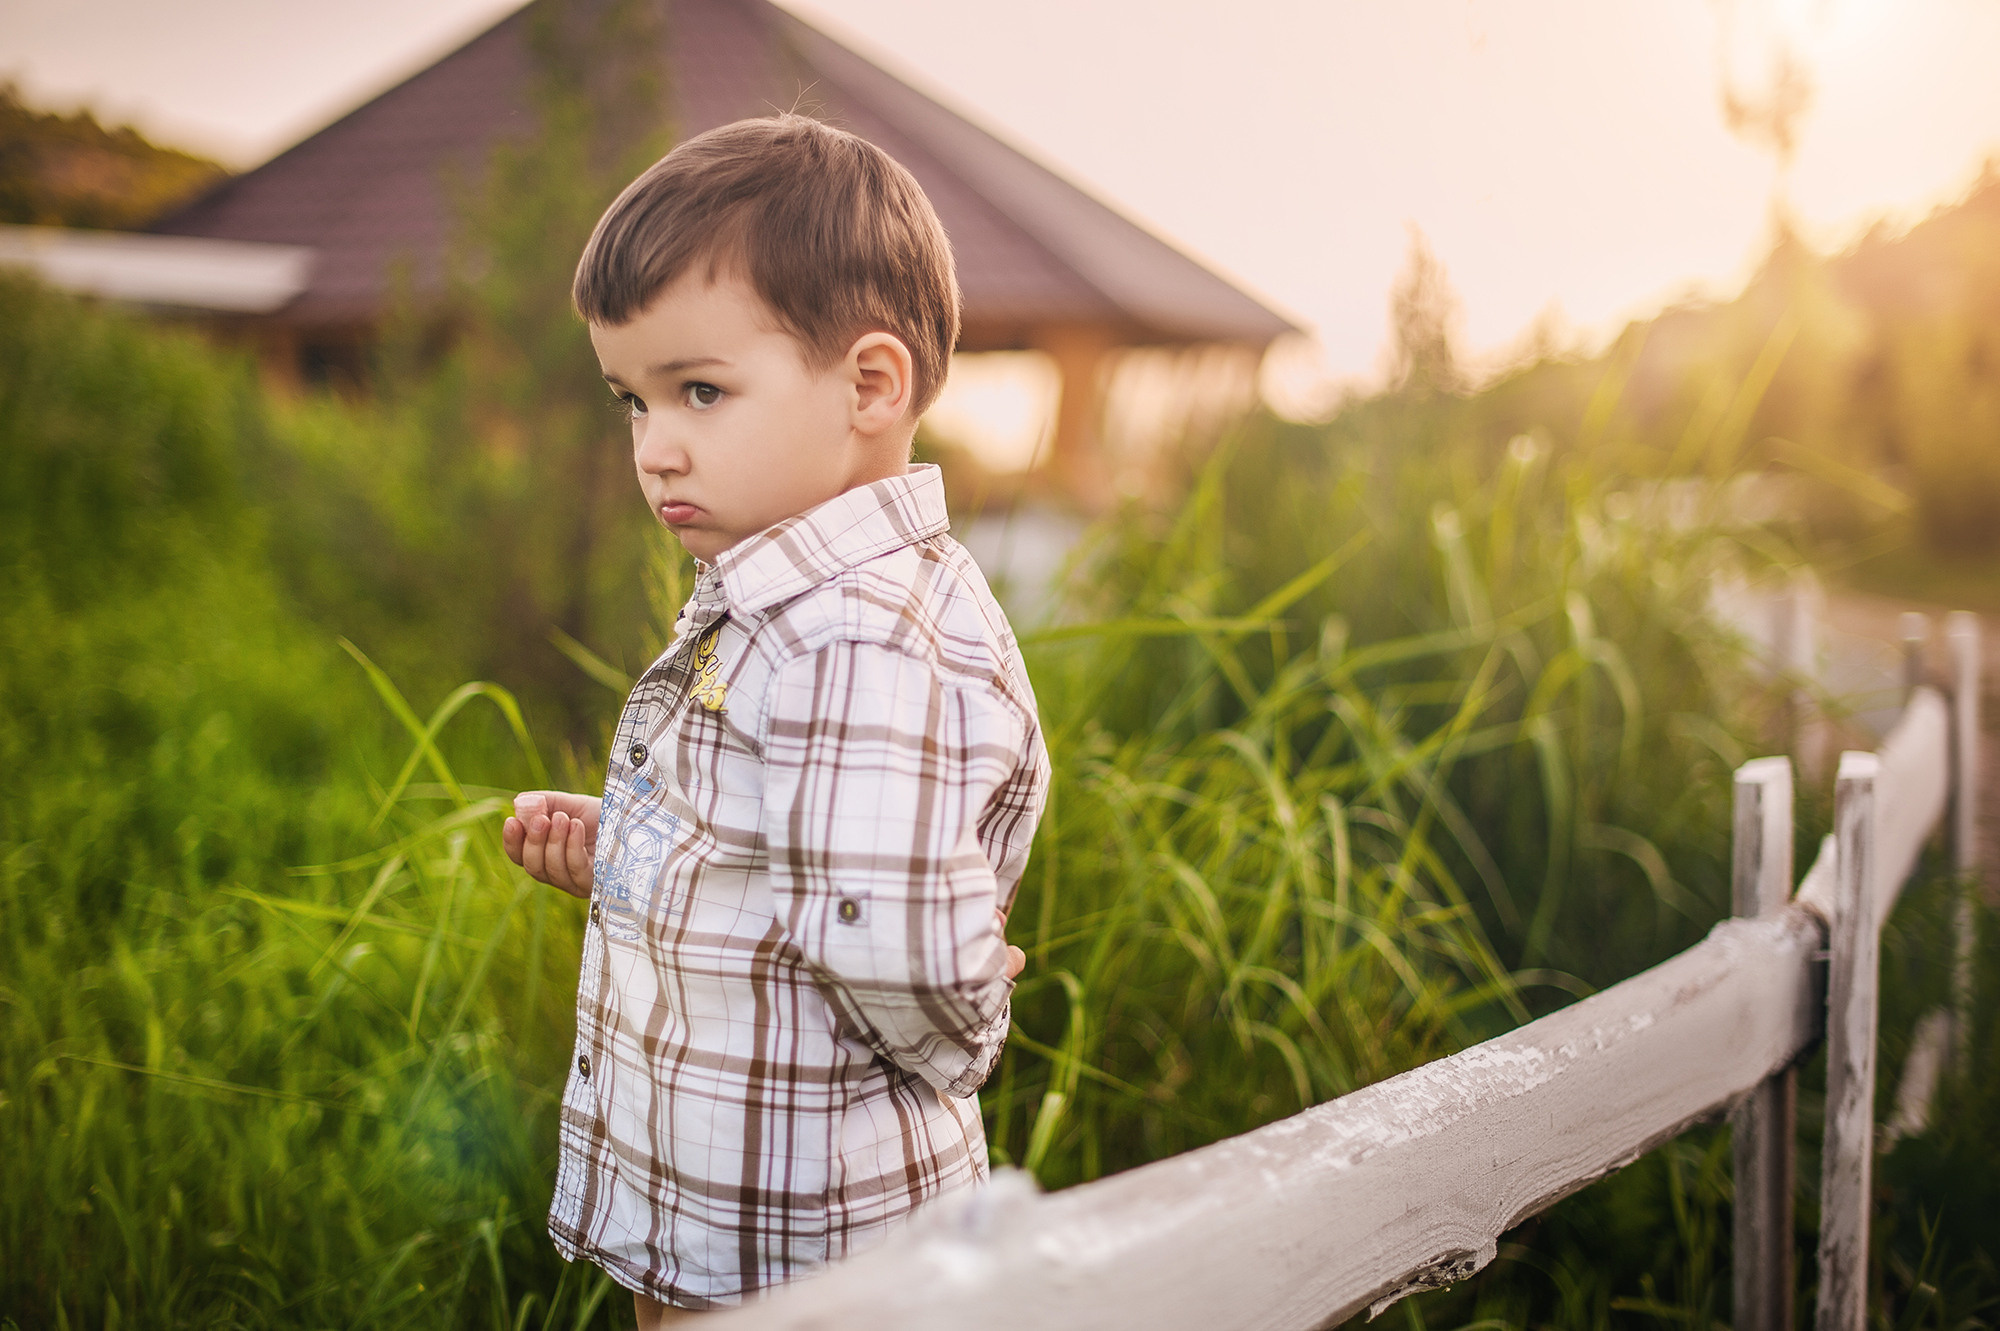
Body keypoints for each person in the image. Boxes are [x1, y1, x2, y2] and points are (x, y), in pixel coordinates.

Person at [501, 115, 1049, 1326]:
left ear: (868, 384)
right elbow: (797, 850)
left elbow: (893, 938)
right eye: (632, 403)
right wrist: (638, 851)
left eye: (698, 390)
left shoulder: (844, 634)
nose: (656, 448)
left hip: (803, 1239)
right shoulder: (796, 595)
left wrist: (970, 1001)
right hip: (732, 1202)